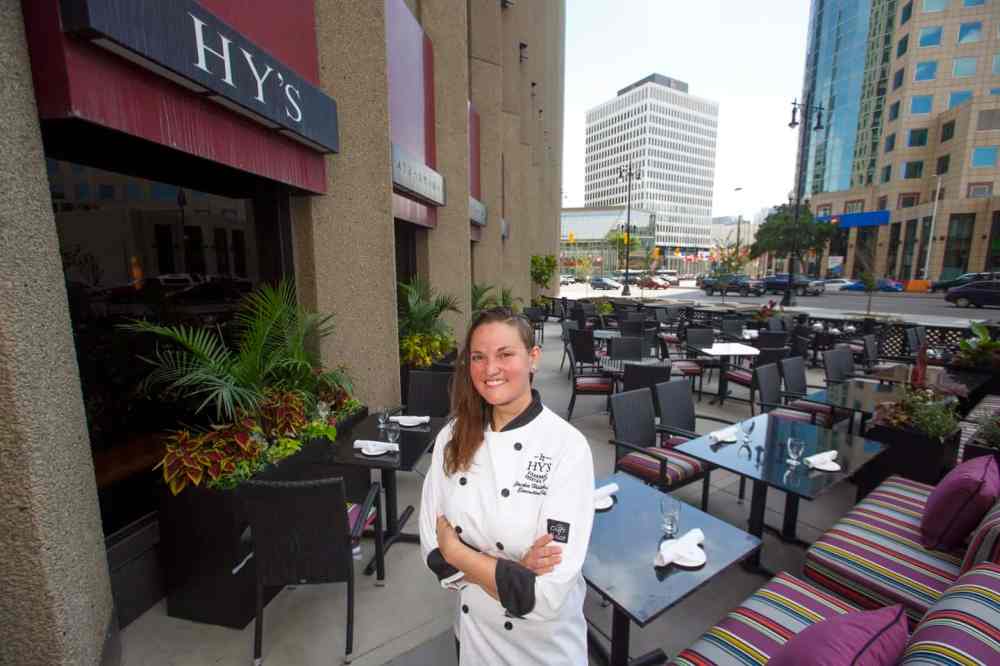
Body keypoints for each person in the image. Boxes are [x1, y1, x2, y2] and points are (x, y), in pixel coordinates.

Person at [418, 308, 595, 665]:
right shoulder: (452, 437)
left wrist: (462, 554)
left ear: (533, 358)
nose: (490, 369)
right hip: (473, 640)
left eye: (505, 354)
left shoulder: (567, 447)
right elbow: (433, 553)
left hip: (544, 649)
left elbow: (544, 595)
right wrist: (512, 570)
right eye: (478, 357)